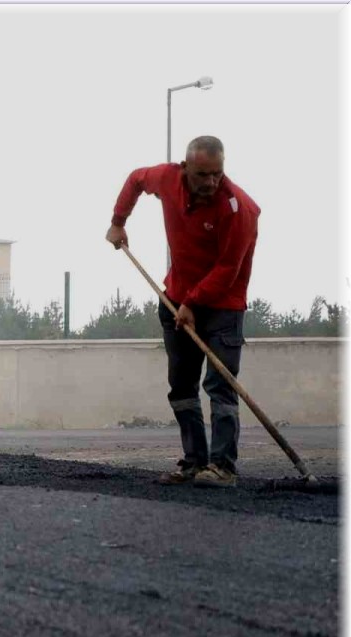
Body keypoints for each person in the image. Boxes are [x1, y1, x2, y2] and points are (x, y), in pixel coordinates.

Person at [107, 135, 259, 489]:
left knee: (220, 385)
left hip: (222, 307)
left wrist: (193, 303)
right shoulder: (166, 179)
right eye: (203, 174)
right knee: (182, 387)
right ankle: (194, 462)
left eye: (217, 174)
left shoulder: (239, 209)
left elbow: (228, 269)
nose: (210, 182)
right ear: (185, 167)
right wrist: (118, 221)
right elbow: (135, 179)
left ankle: (223, 466)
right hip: (175, 300)